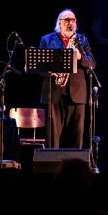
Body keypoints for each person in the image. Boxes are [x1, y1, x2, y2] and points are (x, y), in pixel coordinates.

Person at [40, 8, 96, 148]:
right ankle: (52, 167)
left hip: (77, 94)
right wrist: (51, 72)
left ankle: (76, 166)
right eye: (67, 20)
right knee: (52, 136)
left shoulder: (82, 40)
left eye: (73, 20)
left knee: (77, 135)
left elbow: (92, 63)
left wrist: (80, 57)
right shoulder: (47, 40)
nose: (70, 23)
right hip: (53, 92)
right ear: (59, 23)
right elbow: (39, 65)